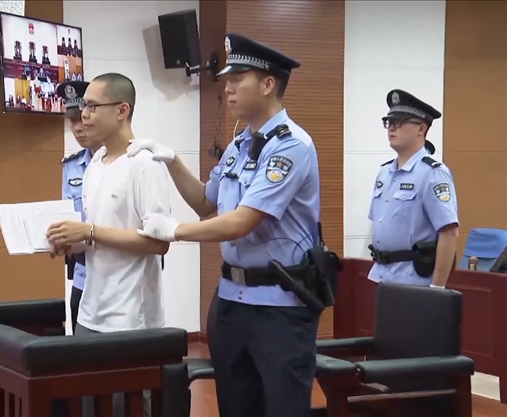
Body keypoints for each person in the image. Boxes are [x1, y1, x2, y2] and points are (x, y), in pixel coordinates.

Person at [128, 34, 323, 417]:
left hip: (279, 304)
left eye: (237, 79)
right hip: (231, 300)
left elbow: (242, 221)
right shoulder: (238, 145)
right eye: (227, 80)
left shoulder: (291, 146)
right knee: (235, 405)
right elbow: (206, 202)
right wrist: (172, 162)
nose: (227, 88)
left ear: (268, 84)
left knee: (282, 407)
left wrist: (175, 231)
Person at [46, 73, 171, 417]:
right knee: (87, 406)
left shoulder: (145, 164)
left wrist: (88, 231)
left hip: (130, 318)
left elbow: (159, 242)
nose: (84, 115)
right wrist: (70, 242)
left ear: (122, 110)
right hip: (91, 311)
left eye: (92, 106)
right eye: (83, 107)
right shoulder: (94, 166)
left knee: (127, 407)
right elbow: (96, 236)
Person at [367, 89, 459, 288]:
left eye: (399, 122)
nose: (392, 127)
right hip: (381, 276)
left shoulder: (433, 173)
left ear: (421, 129)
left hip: (414, 281)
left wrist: (437, 289)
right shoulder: (384, 173)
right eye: (389, 122)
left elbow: (449, 233)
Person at [56, 80, 103, 334]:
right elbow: (67, 216)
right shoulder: (71, 166)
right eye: (72, 121)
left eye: (81, 118)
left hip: (117, 278)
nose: (77, 128)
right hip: (83, 276)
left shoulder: (130, 161)